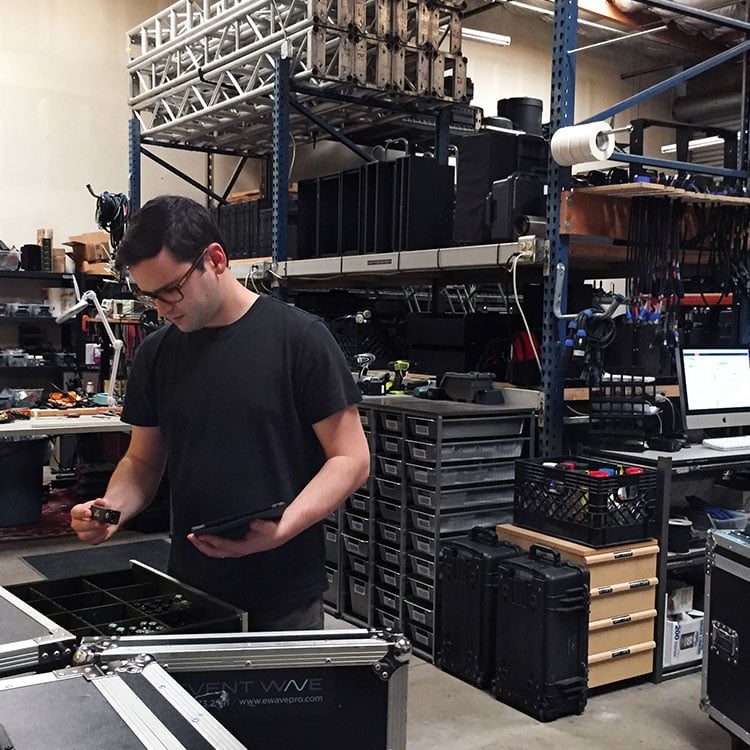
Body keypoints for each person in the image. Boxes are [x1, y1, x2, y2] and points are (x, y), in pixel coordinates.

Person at [69, 195, 371, 631]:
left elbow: (351, 458)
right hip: (191, 589)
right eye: (151, 296)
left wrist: (283, 527)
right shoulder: (156, 355)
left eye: (172, 289)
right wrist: (111, 508)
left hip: (283, 594)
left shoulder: (301, 340)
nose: (162, 309)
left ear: (215, 259)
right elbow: (142, 461)